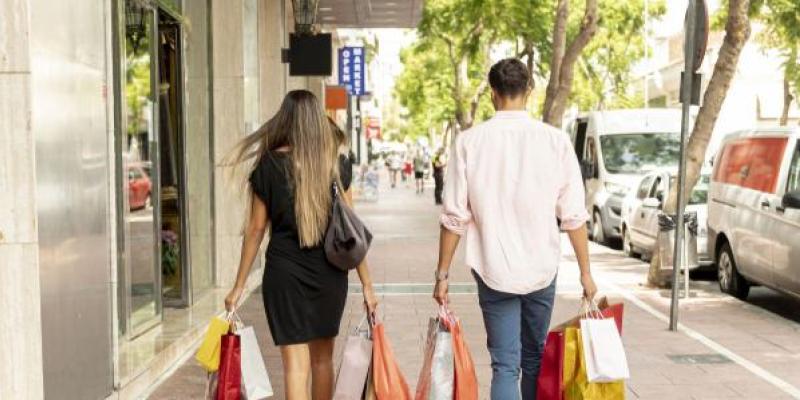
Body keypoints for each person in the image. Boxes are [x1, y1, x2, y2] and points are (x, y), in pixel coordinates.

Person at [432, 59, 597, 400]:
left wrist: (442, 275)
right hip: (541, 268)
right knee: (534, 355)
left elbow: (454, 218)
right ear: (529, 91)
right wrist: (586, 273)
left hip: (494, 268)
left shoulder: (468, 142)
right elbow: (574, 216)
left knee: (505, 364)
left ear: (493, 93)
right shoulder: (555, 141)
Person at [223, 90, 378, 399]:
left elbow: (255, 230)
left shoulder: (267, 166)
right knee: (322, 360)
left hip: (284, 275)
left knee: (295, 367)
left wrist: (238, 285)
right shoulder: (336, 165)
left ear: (286, 120)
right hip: (329, 275)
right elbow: (352, 231)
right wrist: (367, 286)